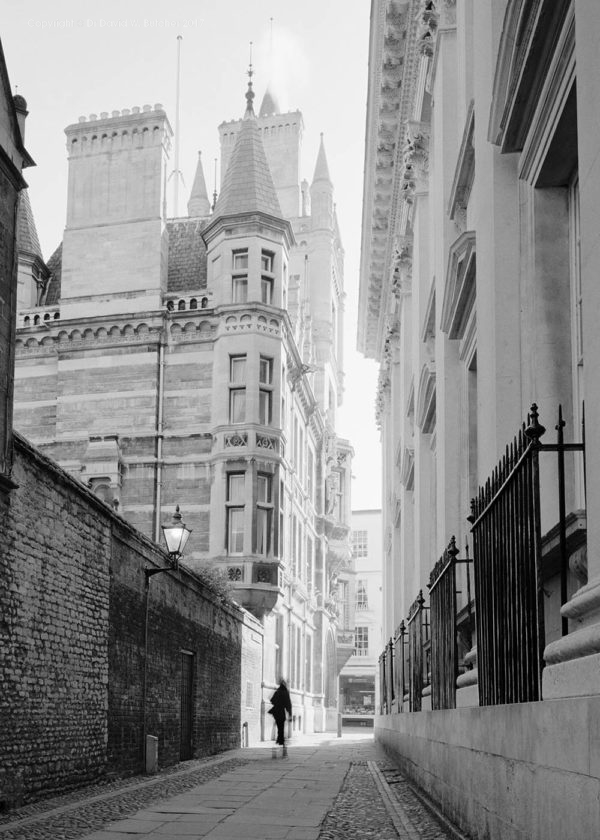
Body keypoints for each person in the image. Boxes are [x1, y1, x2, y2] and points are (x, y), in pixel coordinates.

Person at [269, 679, 292, 757]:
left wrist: (277, 702)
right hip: (281, 713)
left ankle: (279, 741)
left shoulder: (278, 691)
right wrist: (290, 715)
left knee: (279, 728)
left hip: (276, 713)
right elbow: (288, 704)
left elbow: (272, 700)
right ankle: (282, 744)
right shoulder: (285, 692)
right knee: (281, 728)